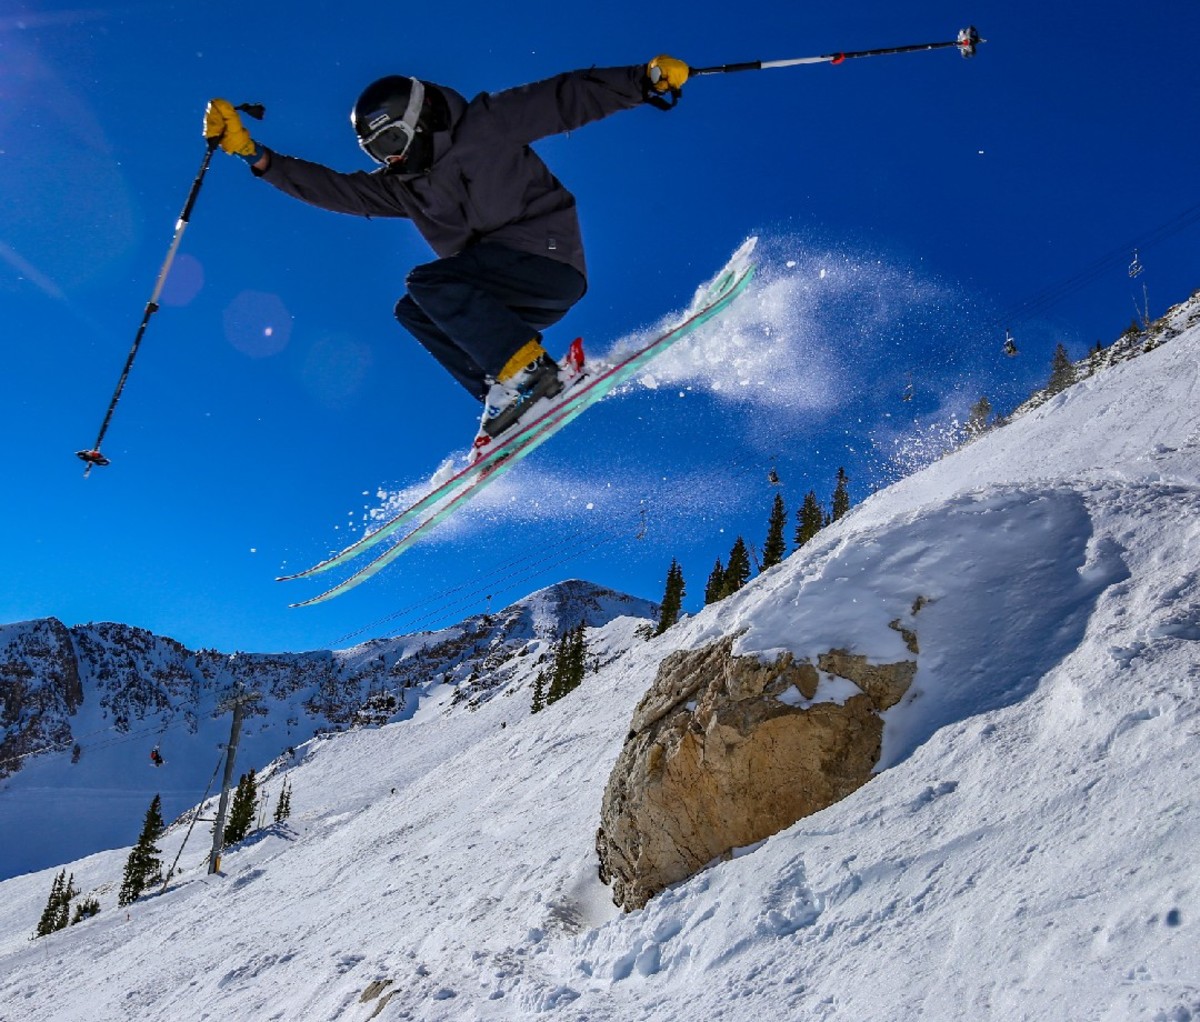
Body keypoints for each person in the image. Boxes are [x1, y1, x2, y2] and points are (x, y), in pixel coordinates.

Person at [204, 56, 691, 454]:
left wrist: (641, 80)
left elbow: (566, 98)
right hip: (499, 293)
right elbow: (339, 191)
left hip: (548, 259)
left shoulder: (487, 123)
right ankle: (510, 395)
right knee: (412, 309)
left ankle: (529, 374)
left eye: (391, 141)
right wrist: (257, 157)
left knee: (427, 282)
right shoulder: (404, 186)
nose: (390, 159)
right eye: (376, 152)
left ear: (417, 118)